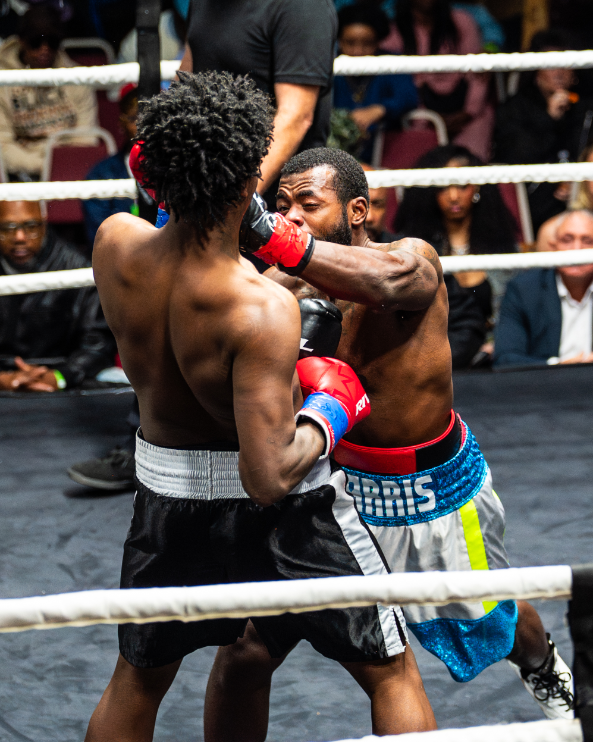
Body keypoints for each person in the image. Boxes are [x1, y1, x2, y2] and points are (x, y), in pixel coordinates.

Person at [84, 71, 436, 741]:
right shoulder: (261, 308)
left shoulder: (115, 242)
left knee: (138, 678)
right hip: (279, 507)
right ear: (251, 180)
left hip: (165, 492)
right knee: (390, 671)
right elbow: (267, 475)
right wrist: (329, 409)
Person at [203, 148, 575, 741]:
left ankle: (542, 665)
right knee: (247, 648)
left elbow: (390, 280)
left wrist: (276, 239)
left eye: (308, 203)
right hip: (336, 493)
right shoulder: (282, 291)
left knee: (491, 624)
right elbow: (214, 330)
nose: (291, 214)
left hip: (430, 494)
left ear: (357, 210)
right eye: (281, 205)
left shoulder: (409, 258)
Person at [179, 0, 337, 207]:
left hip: (278, 197)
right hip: (205, 181)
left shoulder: (302, 6)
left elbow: (296, 117)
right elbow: (187, 79)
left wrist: (237, 202)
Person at [395, 144, 518, 364]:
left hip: (494, 356)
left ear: (477, 187)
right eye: (443, 186)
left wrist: (500, 344)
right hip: (434, 358)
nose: (453, 196)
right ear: (431, 190)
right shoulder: (417, 249)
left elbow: (514, 312)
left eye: (462, 186)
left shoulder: (500, 248)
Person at [0, 199, 114, 392]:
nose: (19, 237)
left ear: (44, 223)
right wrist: (3, 380)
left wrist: (60, 377)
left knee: (123, 382)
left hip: (66, 377)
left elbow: (98, 344)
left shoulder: (76, 267)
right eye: (7, 228)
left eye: (31, 226)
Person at [494, 30, 593, 233]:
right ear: (536, 70)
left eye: (565, 63)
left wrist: (577, 181)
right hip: (534, 200)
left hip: (582, 195)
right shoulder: (514, 108)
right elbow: (514, 157)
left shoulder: (586, 109)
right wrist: (549, 119)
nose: (559, 72)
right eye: (550, 64)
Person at [0, 5, 98, 180]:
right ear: (21, 40)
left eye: (53, 42)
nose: (44, 49)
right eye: (36, 41)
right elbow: (3, 144)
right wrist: (43, 167)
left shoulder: (76, 76)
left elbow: (86, 136)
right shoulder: (3, 79)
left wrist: (61, 165)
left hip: (70, 170)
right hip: (20, 175)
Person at [387, 0, 494, 161]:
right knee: (422, 160)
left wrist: (468, 113)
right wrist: (429, 118)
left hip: (467, 111)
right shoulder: (394, 30)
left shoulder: (461, 21)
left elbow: (478, 74)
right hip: (419, 114)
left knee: (470, 162)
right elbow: (400, 84)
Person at [495, 209, 593, 367]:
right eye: (567, 240)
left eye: (587, 241)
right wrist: (558, 366)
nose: (576, 248)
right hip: (545, 381)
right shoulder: (523, 289)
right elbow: (506, 359)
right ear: (553, 247)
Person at [334, 4, 417, 162]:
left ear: (378, 42)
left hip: (386, 152)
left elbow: (409, 97)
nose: (358, 51)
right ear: (339, 41)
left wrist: (380, 109)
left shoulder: (390, 62)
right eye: (350, 43)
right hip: (335, 153)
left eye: (367, 43)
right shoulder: (329, 65)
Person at [82, 84, 139, 247]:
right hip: (123, 257)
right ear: (121, 123)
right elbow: (101, 240)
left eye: (153, 117)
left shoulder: (180, 170)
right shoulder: (100, 175)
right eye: (134, 118)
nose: (143, 126)